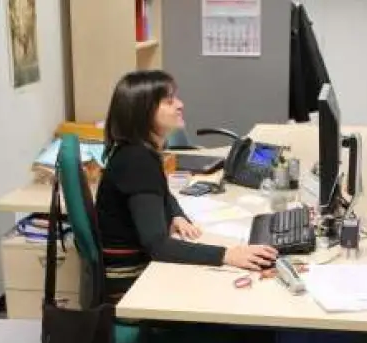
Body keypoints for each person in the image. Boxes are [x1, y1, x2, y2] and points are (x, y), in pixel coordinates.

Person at [96, 70, 277, 301]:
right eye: (169, 101)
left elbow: (161, 193)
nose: (180, 105)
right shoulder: (137, 161)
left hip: (138, 267)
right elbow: (158, 246)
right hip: (132, 281)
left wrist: (176, 214)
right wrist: (227, 255)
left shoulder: (138, 151)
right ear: (143, 111)